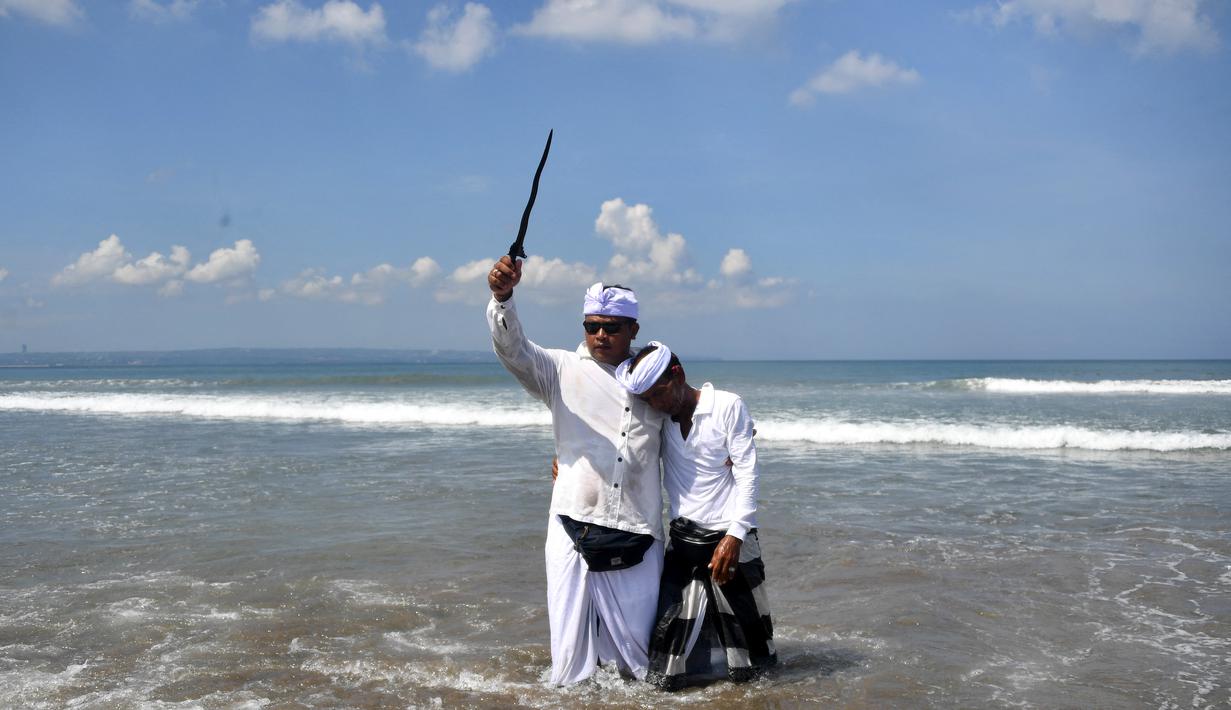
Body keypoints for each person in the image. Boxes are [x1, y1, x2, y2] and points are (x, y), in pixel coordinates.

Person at [486, 255, 668, 686]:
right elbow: (513, 350)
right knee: (568, 660)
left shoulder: (655, 378)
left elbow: (687, 430)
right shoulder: (560, 369)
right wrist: (503, 298)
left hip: (639, 528)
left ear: (633, 330)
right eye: (592, 326)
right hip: (571, 522)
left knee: (638, 665)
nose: (600, 335)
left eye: (612, 327)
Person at [614, 341, 777, 691]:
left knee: (750, 654)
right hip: (683, 540)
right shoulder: (659, 420)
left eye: (659, 394)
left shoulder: (727, 406)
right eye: (647, 399)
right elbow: (618, 443)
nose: (655, 404)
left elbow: (747, 473)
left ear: (678, 374)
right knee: (669, 650)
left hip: (730, 539)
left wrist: (735, 536)